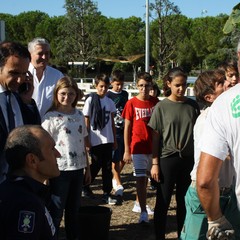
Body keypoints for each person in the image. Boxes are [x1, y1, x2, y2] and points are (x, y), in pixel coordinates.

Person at [180, 70, 240, 239]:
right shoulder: (207, 119)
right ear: (209, 97)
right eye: (221, 83)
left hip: (227, 192)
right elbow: (215, 159)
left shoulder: (227, 115)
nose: (228, 83)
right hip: (202, 195)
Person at [148, 67, 200, 239]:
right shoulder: (161, 107)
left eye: (184, 85)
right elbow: (155, 138)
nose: (181, 88)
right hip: (167, 160)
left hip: (187, 160)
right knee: (163, 202)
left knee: (184, 203)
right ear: (168, 84)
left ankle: (182, 235)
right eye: (177, 85)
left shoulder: (192, 105)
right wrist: (155, 163)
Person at [42, 76, 91, 239]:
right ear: (56, 94)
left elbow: (83, 142)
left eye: (71, 94)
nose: (67, 97)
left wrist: (87, 168)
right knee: (56, 210)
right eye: (63, 93)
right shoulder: (50, 117)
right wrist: (45, 174)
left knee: (74, 211)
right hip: (59, 170)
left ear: (76, 95)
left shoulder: (79, 115)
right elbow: (45, 147)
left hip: (78, 169)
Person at [0, 125, 61, 239]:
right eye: (52, 149)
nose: (58, 154)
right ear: (32, 160)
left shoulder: (14, 190)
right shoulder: (26, 204)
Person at [0, 41, 41, 184]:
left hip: (16, 182)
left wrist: (27, 102)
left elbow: (33, 133)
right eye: (14, 73)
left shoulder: (19, 98)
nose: (20, 79)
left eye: (24, 73)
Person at [122, 72, 159, 223]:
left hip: (154, 148)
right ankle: (143, 211)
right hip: (138, 148)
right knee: (140, 180)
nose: (144, 88)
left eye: (147, 85)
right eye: (141, 85)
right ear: (137, 86)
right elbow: (127, 127)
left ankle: (155, 209)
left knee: (154, 180)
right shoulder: (131, 103)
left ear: (151, 86)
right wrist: (127, 150)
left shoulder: (156, 102)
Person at [82, 73, 117, 205]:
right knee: (95, 165)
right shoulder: (91, 100)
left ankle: (107, 192)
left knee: (107, 167)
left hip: (107, 139)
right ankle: (85, 185)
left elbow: (112, 122)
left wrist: (114, 140)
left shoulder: (109, 102)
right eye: (101, 86)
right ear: (96, 86)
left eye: (106, 86)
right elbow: (86, 119)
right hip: (95, 139)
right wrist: (86, 139)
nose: (103, 89)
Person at [28, 37, 64, 118]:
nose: (44, 57)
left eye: (47, 53)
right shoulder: (22, 75)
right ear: (30, 54)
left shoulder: (57, 76)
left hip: (50, 126)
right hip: (26, 126)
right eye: (40, 53)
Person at [106, 69, 128, 197]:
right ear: (112, 82)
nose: (119, 87)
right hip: (113, 130)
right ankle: (118, 181)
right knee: (115, 156)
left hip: (124, 128)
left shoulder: (124, 94)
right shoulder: (108, 96)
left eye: (121, 84)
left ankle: (115, 175)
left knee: (125, 156)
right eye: (117, 84)